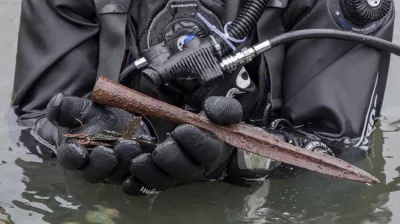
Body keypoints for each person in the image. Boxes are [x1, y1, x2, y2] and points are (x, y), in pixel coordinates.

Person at [11, 0, 395, 196]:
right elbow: (34, 122)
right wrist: (80, 134)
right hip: (110, 196)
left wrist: (238, 158)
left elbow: (339, 146)